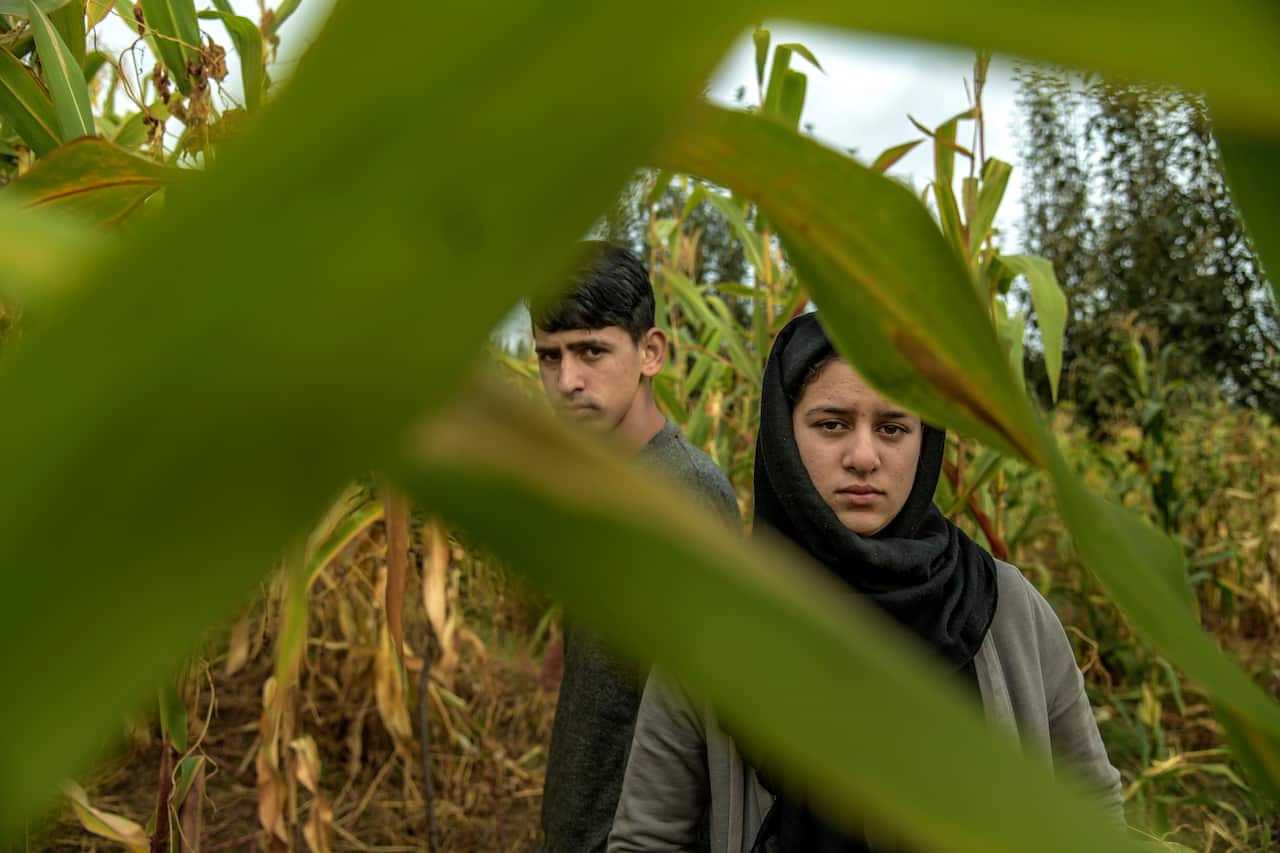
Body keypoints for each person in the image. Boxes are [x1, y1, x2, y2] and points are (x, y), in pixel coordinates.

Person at [609, 312, 1122, 852]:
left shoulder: (1003, 607)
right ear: (784, 434)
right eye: (832, 424)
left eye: (893, 428)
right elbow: (648, 840)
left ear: (924, 440)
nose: (863, 458)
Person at [534, 242, 741, 853]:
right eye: (550, 357)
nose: (567, 380)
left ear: (650, 352)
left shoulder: (687, 496)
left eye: (592, 351)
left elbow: (709, 723)